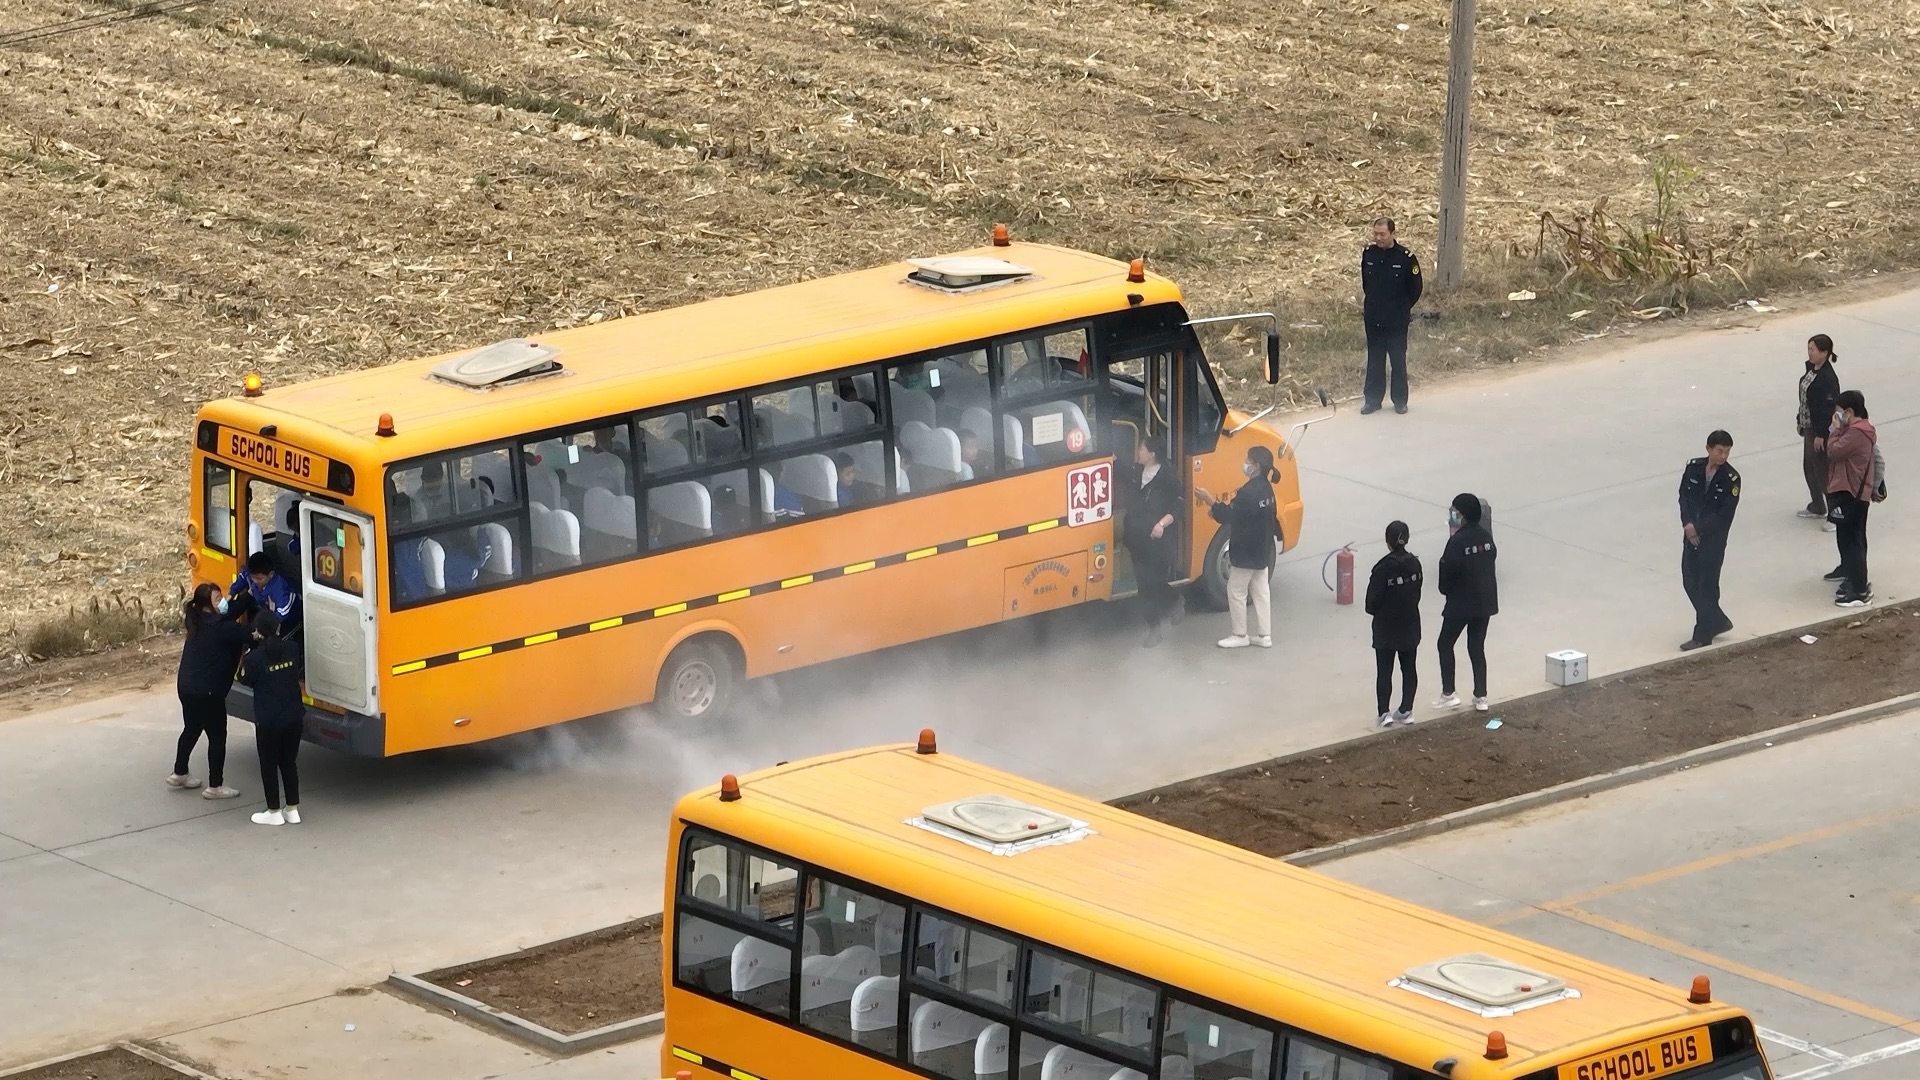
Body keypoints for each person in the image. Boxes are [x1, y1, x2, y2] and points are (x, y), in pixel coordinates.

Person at [170, 583, 253, 798]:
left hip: (187, 686)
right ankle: (215, 786)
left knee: (192, 727)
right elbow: (249, 635)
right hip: (208, 692)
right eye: (218, 599)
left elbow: (230, 611)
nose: (223, 601)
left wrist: (248, 594)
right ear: (208, 605)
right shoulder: (223, 628)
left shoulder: (198, 619)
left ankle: (179, 772)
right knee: (217, 737)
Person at [1195, 445, 1281, 649]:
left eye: (1248, 461)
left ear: (1256, 466)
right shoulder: (1267, 489)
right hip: (1261, 549)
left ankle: (1240, 634)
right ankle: (1264, 634)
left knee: (1236, 591)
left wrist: (1210, 501)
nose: (1245, 464)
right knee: (1261, 592)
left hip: (1245, 551)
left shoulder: (1248, 493)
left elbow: (1228, 516)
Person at [240, 612, 305, 826]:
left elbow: (244, 680)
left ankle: (274, 810)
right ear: (278, 628)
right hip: (294, 715)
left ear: (258, 632)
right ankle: (293, 809)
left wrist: (246, 655)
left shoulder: (254, 658)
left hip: (269, 719)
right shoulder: (293, 649)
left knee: (269, 765)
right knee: (289, 762)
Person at [1678, 431, 1741, 650]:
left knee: (1707, 585)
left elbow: (1724, 514)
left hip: (1713, 540)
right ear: (1708, 449)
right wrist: (1687, 523)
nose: (1723, 456)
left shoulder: (1731, 478)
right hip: (1690, 535)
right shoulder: (1693, 468)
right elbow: (1684, 497)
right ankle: (1716, 620)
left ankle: (1702, 634)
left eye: (1727, 451)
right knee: (1689, 581)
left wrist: (1698, 528)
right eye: (1719, 451)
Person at [1435, 493, 1497, 711]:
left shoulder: (1456, 541)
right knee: (1476, 647)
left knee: (1445, 643)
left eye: (1455, 511)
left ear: (1462, 514)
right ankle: (1481, 696)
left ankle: (1449, 692)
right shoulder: (1486, 538)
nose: (1453, 515)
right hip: (1484, 603)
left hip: (1460, 604)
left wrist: (1447, 591)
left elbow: (1446, 575)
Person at [1122, 440, 1185, 647]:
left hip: (1158, 541)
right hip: (1136, 539)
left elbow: (1179, 505)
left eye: (1141, 448)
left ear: (1152, 454)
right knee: (1143, 586)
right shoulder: (1136, 472)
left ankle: (1175, 600)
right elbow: (1119, 470)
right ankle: (1154, 629)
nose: (1138, 451)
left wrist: (1162, 523)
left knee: (1155, 582)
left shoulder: (1166, 478)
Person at [1359, 216, 1424, 416]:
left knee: (1397, 359)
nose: (1378, 238)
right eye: (1376, 234)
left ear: (1392, 234)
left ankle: (1400, 401)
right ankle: (1372, 400)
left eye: (1383, 234)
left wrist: (1402, 307)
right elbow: (1366, 284)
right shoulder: (1368, 254)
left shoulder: (1405, 257)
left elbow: (1416, 288)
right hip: (1373, 316)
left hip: (1396, 319)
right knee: (1375, 359)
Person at [1366, 521, 1423, 726]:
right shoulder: (1415, 564)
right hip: (1410, 624)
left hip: (1386, 627)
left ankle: (1384, 712)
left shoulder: (1382, 568)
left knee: (1385, 670)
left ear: (1388, 541)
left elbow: (1371, 604)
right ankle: (1406, 709)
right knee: (1409, 668)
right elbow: (1417, 593)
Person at [1826, 390, 1878, 607]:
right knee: (1846, 537)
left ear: (1849, 411)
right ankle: (1851, 575)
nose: (1837, 416)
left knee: (1853, 540)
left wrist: (1835, 431)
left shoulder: (1856, 433)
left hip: (1852, 492)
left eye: (1840, 412)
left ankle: (1859, 589)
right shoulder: (1856, 431)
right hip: (1848, 490)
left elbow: (1833, 451)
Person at [1796, 334, 1840, 525]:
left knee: (1822, 471)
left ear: (1825, 353)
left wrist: (1822, 434)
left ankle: (1835, 513)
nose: (1810, 353)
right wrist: (1800, 419)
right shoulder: (1811, 370)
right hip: (1808, 427)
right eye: (1809, 348)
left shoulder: (1828, 378)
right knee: (1809, 467)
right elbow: (1806, 400)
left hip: (1819, 431)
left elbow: (1828, 409)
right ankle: (1817, 506)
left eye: (1813, 349)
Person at [231, 550, 300, 638]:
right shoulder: (250, 574)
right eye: (253, 578)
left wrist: (262, 629)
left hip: (287, 619)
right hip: (267, 611)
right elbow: (243, 577)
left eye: (259, 579)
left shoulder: (280, 589)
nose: (255, 581)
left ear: (270, 575)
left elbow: (282, 614)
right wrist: (231, 593)